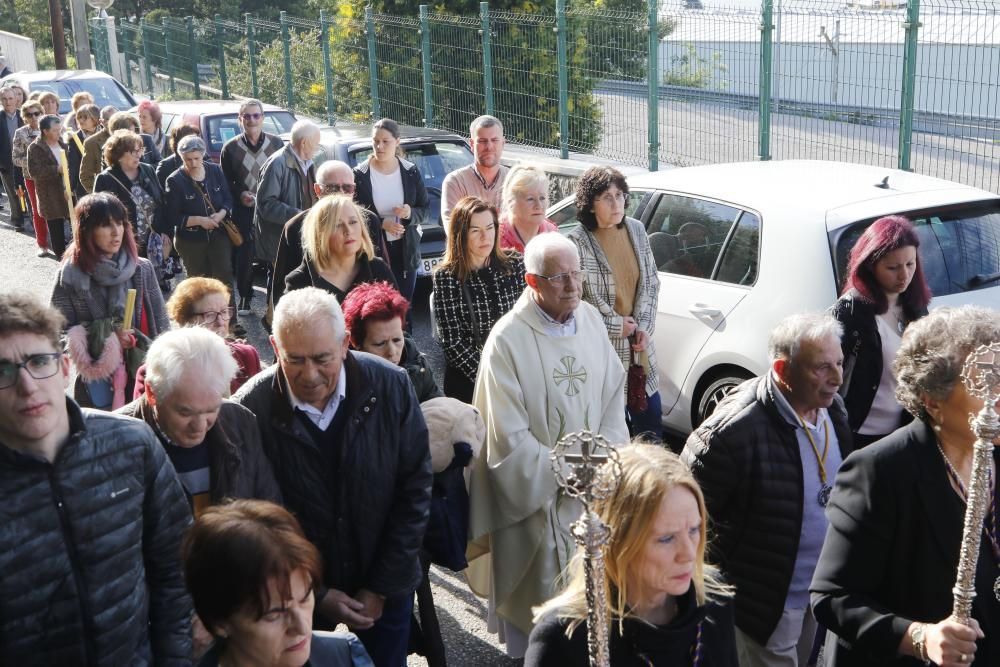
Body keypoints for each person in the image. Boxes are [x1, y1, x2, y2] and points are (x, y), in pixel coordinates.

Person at [233, 287, 432, 667]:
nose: (309, 375)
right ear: (275, 347)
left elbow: (414, 490)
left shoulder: (391, 386)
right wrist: (314, 592)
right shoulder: (249, 410)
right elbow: (252, 518)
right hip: (293, 595)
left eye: (323, 358)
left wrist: (380, 586)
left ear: (344, 344)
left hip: (384, 584)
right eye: (295, 360)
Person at [0, 292, 193, 664]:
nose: (27, 385)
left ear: (65, 367)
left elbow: (176, 569)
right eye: (3, 370)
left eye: (39, 361)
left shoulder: (132, 445)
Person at [467, 232, 629, 658]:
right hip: (536, 506)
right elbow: (505, 436)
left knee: (599, 627)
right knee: (543, 633)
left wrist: (605, 464)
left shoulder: (591, 320)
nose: (573, 286)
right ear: (532, 282)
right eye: (559, 278)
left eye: (576, 274)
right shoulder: (507, 340)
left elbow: (614, 395)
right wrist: (569, 472)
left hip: (593, 498)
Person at [811, 305, 1000, 667]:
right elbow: (832, 596)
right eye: (985, 383)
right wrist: (920, 637)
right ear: (933, 401)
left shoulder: (994, 452)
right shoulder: (880, 471)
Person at [681, 313, 853, 667]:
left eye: (839, 362)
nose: (837, 378)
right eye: (822, 367)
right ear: (781, 369)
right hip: (762, 606)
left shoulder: (832, 406)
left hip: (816, 592)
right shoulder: (731, 433)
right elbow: (692, 524)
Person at [526, 444, 738, 666]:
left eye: (694, 529)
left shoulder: (714, 601)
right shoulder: (565, 639)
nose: (688, 554)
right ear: (617, 542)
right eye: (666, 538)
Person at [183, 499, 375, 667]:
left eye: (305, 598)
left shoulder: (342, 657)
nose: (302, 627)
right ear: (220, 622)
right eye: (274, 614)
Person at [118, 327, 281, 516]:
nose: (200, 426)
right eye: (185, 413)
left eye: (211, 410)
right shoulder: (116, 440)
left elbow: (270, 510)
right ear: (152, 392)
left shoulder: (240, 421)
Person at [50, 193, 169, 409]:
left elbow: (162, 325)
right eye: (105, 225)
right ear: (86, 231)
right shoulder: (70, 276)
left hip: (144, 376)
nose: (116, 232)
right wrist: (106, 336)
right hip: (97, 383)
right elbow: (56, 336)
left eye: (121, 223)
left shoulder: (141, 268)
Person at [568, 166, 663, 439]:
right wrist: (614, 325)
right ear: (590, 203)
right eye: (607, 197)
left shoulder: (636, 229)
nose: (616, 203)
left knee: (651, 430)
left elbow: (651, 283)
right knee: (611, 435)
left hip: (640, 350)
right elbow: (578, 301)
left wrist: (644, 327)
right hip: (603, 353)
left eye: (620, 195)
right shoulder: (576, 242)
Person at [831, 215, 931, 448]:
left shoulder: (915, 305)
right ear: (869, 266)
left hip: (906, 428)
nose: (904, 275)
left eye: (910, 264)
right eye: (892, 268)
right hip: (860, 434)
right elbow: (832, 376)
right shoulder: (851, 310)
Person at [432, 196, 525, 403]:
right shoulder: (447, 277)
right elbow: (452, 342)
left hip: (518, 373)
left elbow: (528, 320)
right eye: (475, 230)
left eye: (489, 227)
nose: (485, 237)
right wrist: (493, 376)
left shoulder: (515, 264)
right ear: (460, 234)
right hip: (470, 383)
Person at [132, 276, 262, 397]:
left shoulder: (247, 356)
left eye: (224, 312)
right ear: (184, 321)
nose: (221, 322)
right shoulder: (158, 369)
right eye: (210, 315)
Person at [353, 117, 429, 305]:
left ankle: (406, 335)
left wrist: (409, 213)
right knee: (380, 305)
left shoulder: (410, 171)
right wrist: (380, 224)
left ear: (397, 142)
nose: (379, 146)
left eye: (385, 142)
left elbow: (425, 210)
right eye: (375, 141)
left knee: (404, 304)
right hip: (375, 250)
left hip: (406, 249)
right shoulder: (360, 174)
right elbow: (354, 213)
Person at [254, 119, 321, 327]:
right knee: (281, 284)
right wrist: (300, 215)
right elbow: (265, 205)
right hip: (280, 240)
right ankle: (274, 324)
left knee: (297, 284)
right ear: (304, 143)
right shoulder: (278, 164)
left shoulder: (308, 162)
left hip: (304, 235)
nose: (318, 147)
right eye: (316, 142)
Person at [220, 98, 284, 314]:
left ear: (263, 118)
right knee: (245, 254)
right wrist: (240, 194)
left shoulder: (277, 144)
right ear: (240, 119)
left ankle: (274, 300)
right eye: (247, 116)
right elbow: (225, 181)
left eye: (256, 115)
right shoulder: (230, 148)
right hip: (245, 209)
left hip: (272, 207)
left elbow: (284, 176)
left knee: (275, 253)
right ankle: (245, 296)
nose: (252, 120)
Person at [94, 129, 176, 288]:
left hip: (153, 239)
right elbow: (99, 215)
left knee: (153, 285)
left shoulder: (148, 169)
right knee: (132, 285)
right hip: (125, 241)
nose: (139, 155)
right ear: (118, 154)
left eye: (141, 150)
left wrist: (166, 232)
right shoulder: (105, 178)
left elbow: (161, 203)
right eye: (134, 151)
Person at [271, 159, 356, 312]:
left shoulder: (367, 222)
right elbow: (282, 285)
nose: (341, 193)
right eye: (333, 188)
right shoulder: (296, 226)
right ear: (318, 190)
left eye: (348, 188)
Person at [284, 194, 396, 304]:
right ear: (320, 234)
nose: (348, 230)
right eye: (337, 225)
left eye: (353, 222)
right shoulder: (298, 281)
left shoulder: (379, 269)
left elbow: (403, 320)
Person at [342, 280, 442, 403]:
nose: (392, 352)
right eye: (380, 343)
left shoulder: (416, 362)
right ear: (356, 343)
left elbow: (439, 405)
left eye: (397, 340)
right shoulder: (343, 384)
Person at [162, 134, 235, 292]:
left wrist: (221, 214)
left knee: (225, 278)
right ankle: (199, 317)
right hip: (191, 242)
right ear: (181, 158)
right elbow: (172, 217)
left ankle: (229, 317)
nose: (193, 163)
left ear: (203, 155)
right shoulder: (174, 180)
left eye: (196, 158)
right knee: (198, 283)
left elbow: (228, 199)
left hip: (219, 235)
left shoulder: (215, 170)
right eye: (188, 159)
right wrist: (200, 221)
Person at [441, 114, 509, 227]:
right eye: (482, 141)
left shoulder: (514, 180)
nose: (489, 146)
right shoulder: (456, 182)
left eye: (494, 140)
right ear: (472, 144)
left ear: (503, 143)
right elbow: (453, 230)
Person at [25, 113, 71, 258]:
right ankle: (61, 257)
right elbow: (34, 172)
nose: (59, 132)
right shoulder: (35, 148)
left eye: (60, 129)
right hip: (49, 195)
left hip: (68, 191)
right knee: (56, 228)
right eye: (55, 130)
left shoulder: (63, 143)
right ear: (45, 131)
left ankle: (75, 255)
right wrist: (56, 169)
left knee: (74, 223)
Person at [498, 164, 557, 252]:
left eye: (542, 198)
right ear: (510, 201)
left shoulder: (552, 234)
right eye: (530, 199)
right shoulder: (496, 237)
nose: (538, 205)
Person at [12, 99, 44, 248]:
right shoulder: (20, 133)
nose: (33, 117)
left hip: (52, 176)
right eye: (29, 114)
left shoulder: (51, 127)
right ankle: (42, 243)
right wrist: (31, 160)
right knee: (37, 211)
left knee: (56, 209)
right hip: (31, 177)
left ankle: (60, 239)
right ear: (24, 116)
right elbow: (15, 158)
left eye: (36, 113)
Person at [0, 87, 26, 228]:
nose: (8, 102)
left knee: (27, 192)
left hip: (25, 160)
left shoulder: (25, 115)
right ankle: (17, 220)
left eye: (10, 98)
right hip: (7, 162)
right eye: (4, 99)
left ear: (16, 99)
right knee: (12, 192)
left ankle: (33, 218)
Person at [66, 102, 100, 198]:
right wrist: (70, 187)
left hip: (103, 183)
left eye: (85, 117)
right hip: (83, 187)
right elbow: (74, 166)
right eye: (79, 117)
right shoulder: (74, 140)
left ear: (95, 119)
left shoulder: (105, 134)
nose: (81, 120)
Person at [156, 123, 201, 189]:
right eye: (191, 141)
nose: (196, 145)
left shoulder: (205, 159)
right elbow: (161, 195)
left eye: (197, 140)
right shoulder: (165, 166)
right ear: (179, 142)